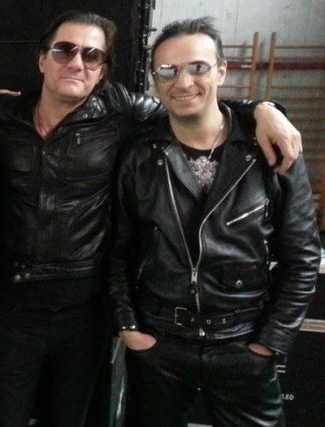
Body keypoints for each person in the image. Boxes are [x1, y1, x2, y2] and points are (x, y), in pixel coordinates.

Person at [0, 10, 303, 427]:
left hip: (84, 312)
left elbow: (192, 104)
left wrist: (262, 109)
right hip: (11, 306)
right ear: (42, 59)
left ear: (103, 70)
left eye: (92, 55)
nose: (77, 62)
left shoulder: (122, 113)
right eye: (64, 50)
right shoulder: (1, 115)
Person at [107, 17, 319, 427]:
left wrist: (268, 343)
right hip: (159, 344)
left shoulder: (271, 150)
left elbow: (303, 258)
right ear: (154, 80)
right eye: (167, 70)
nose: (183, 81)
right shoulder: (138, 153)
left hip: (242, 344)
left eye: (197, 67)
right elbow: (118, 249)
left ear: (221, 71)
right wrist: (130, 328)